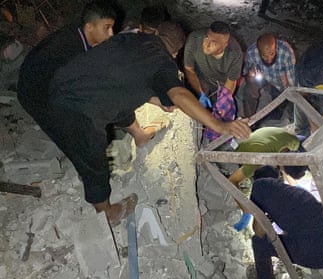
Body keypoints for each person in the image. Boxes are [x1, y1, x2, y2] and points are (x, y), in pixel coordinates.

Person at [46, 31, 250, 227]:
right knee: (93, 155)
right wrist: (220, 124)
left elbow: (129, 84)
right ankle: (106, 211)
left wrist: (157, 100)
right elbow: (179, 94)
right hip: (77, 105)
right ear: (176, 52)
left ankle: (139, 134)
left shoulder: (134, 39)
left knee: (120, 101)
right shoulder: (163, 61)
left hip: (60, 80)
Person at [17, 0, 118, 141]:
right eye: (106, 28)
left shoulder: (80, 33)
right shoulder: (71, 51)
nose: (111, 34)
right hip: (34, 93)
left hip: (44, 80)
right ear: (90, 27)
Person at [247, 165, 323, 279]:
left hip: (318, 256)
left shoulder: (259, 189)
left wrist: (263, 217)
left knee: (259, 243)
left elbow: (259, 233)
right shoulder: (299, 193)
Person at [236, 33, 295, 123]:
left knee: (277, 111)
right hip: (262, 79)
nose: (269, 59)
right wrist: (250, 75)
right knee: (249, 89)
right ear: (258, 51)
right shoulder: (252, 52)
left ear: (275, 48)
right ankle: (249, 122)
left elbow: (292, 81)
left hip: (279, 83)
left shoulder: (286, 52)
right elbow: (245, 73)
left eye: (272, 54)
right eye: (264, 55)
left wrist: (288, 93)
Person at [183, 21, 243, 108]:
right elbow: (189, 69)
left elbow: (231, 81)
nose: (206, 44)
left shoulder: (234, 53)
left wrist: (223, 101)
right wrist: (201, 93)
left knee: (220, 109)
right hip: (199, 77)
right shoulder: (194, 39)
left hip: (221, 82)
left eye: (214, 42)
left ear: (224, 45)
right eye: (207, 38)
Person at [228, 127, 300, 188]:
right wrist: (245, 204)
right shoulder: (257, 160)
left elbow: (285, 165)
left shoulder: (294, 141)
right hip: (236, 149)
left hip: (257, 139)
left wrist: (292, 182)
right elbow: (232, 181)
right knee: (258, 185)